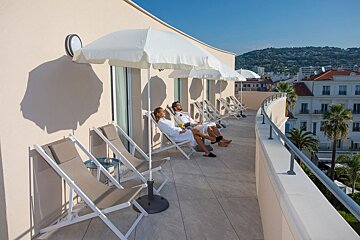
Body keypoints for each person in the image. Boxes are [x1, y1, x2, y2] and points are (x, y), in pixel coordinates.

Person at [154, 107, 221, 157]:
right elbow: (170, 132)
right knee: (196, 130)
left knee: (197, 136)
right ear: (158, 114)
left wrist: (181, 130)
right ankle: (213, 139)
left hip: (178, 133)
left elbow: (173, 128)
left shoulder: (164, 120)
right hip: (177, 136)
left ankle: (207, 152)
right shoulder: (161, 122)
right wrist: (180, 131)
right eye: (162, 111)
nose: (164, 112)